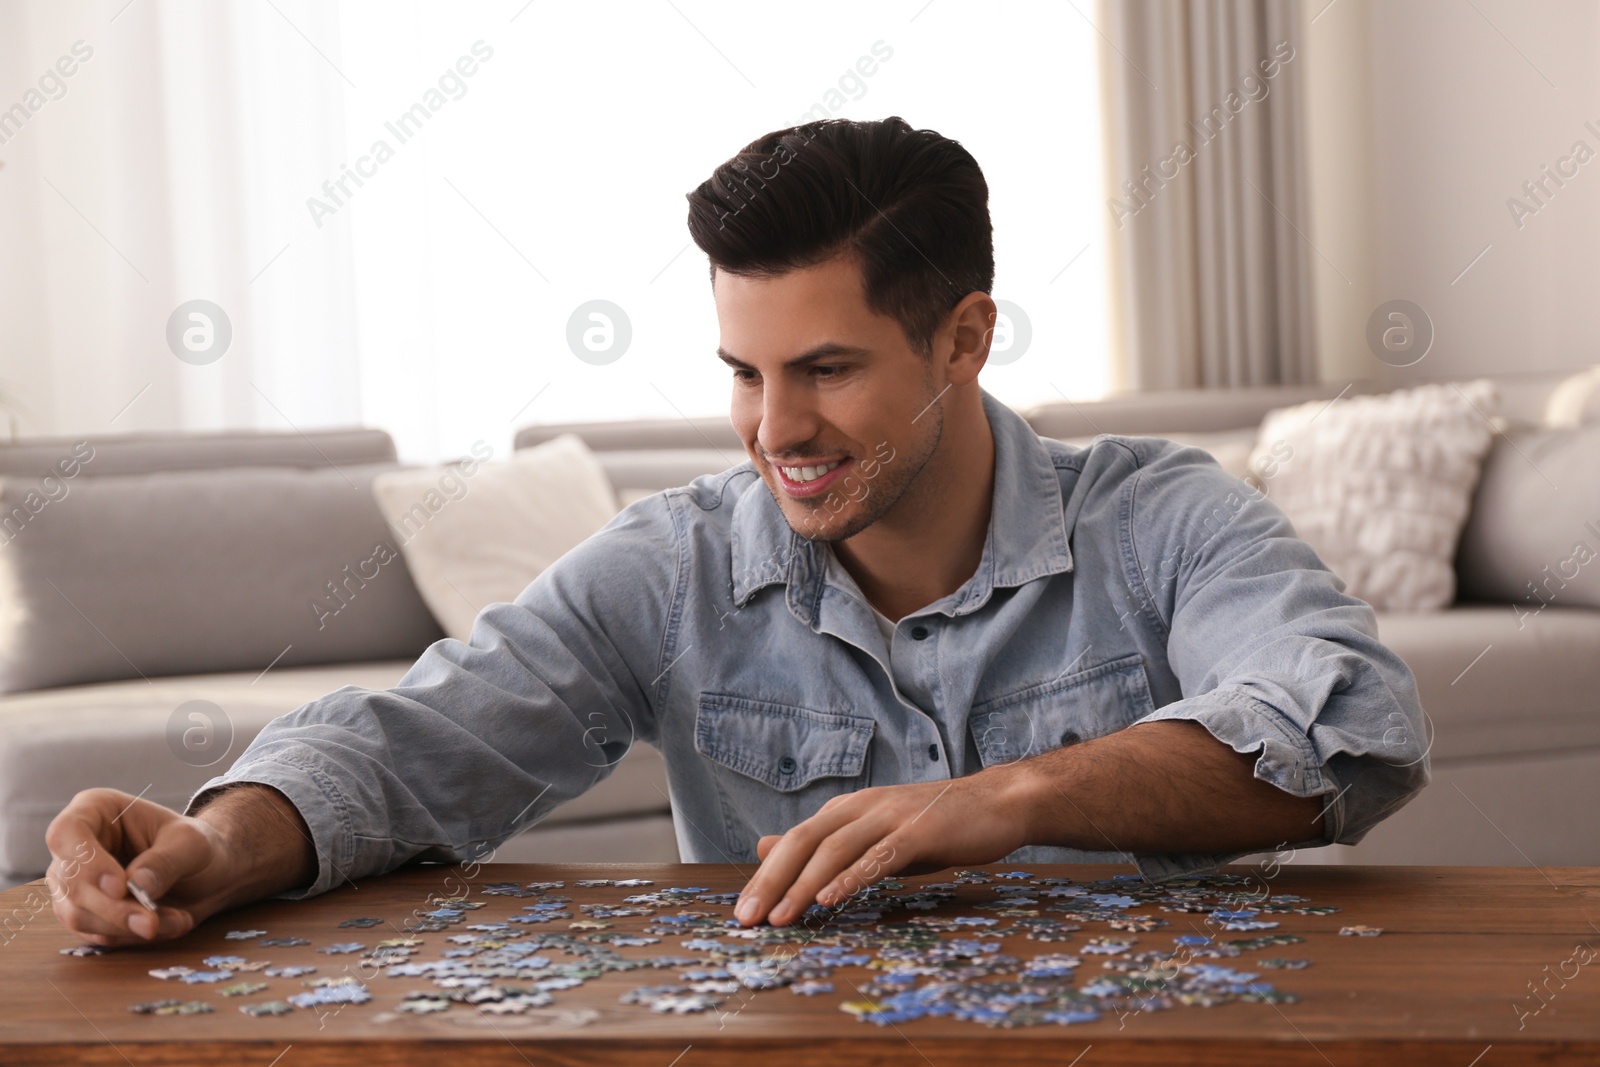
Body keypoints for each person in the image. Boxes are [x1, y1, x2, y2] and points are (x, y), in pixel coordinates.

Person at [47, 116, 1429, 947]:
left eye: (825, 369)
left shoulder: (1161, 518)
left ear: (963, 339)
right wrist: (223, 840)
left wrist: (1013, 798)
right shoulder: (677, 566)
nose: (775, 428)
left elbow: (1353, 725)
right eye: (742, 372)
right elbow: (418, 751)